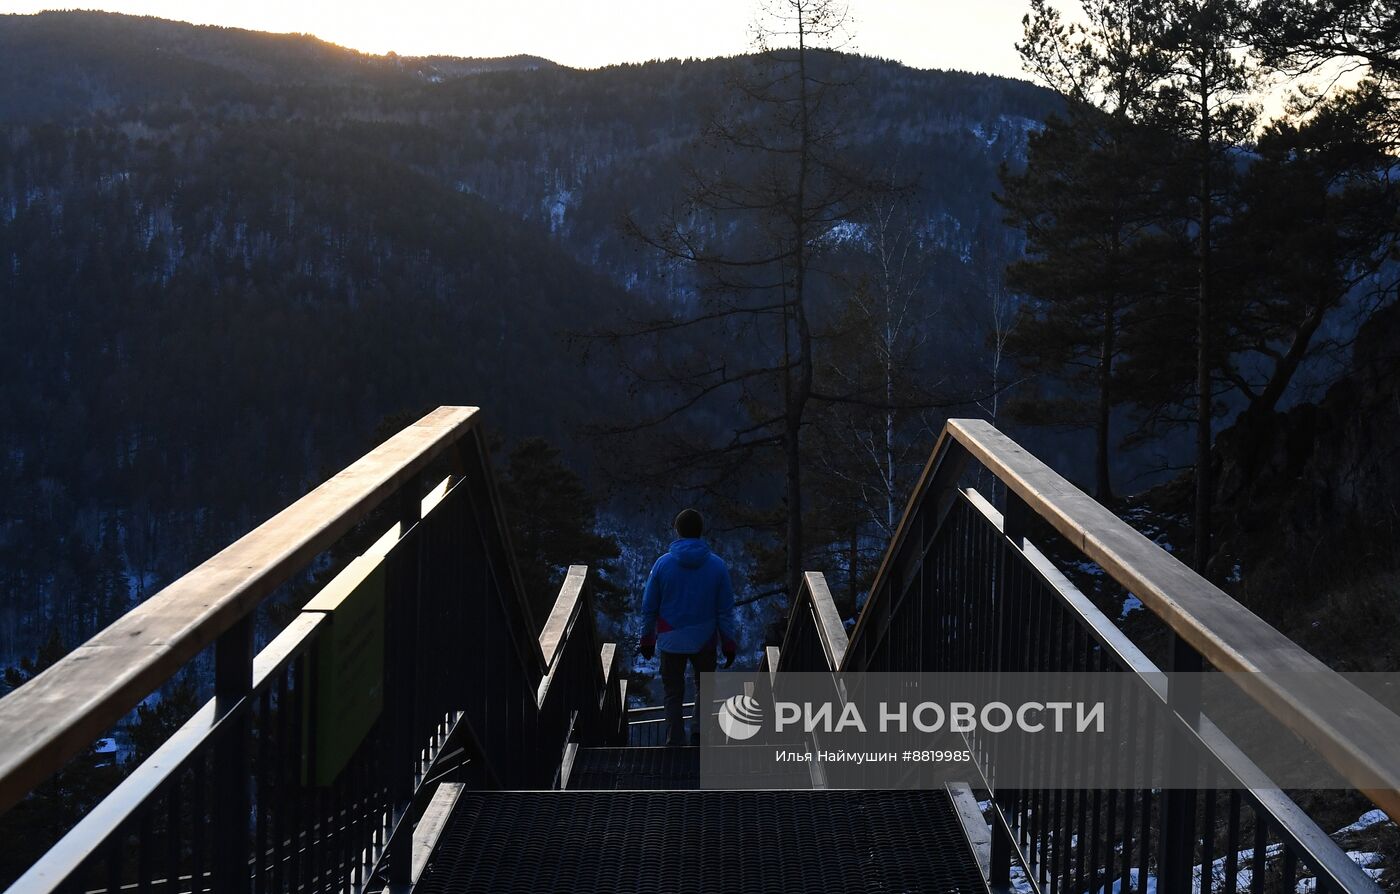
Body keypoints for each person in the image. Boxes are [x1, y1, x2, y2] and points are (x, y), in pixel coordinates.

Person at [638, 508, 738, 746]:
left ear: (677, 530)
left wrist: (647, 638)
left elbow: (649, 606)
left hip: (670, 638)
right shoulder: (717, 566)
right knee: (705, 687)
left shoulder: (662, 564)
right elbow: (725, 611)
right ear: (701, 531)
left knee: (673, 692)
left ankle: (675, 739)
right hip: (705, 639)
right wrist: (729, 643)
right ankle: (699, 735)